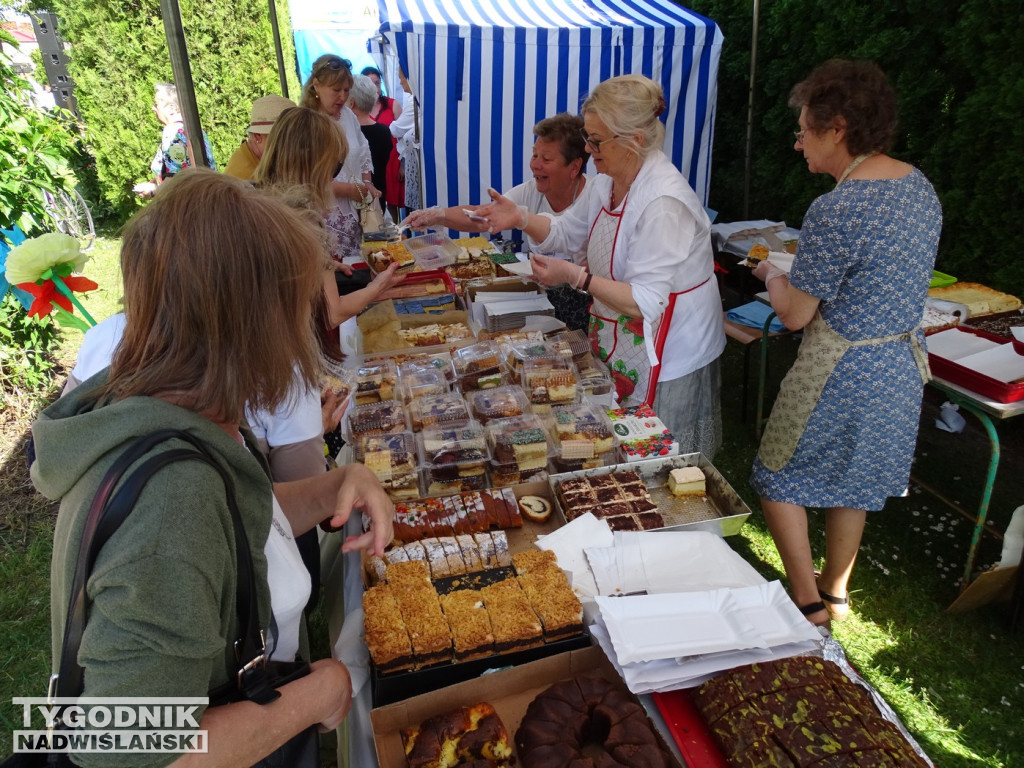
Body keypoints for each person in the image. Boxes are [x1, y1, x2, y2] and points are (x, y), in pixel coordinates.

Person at [32, 169, 394, 764]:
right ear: (248, 327)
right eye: (294, 312)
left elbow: (234, 528)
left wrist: (336, 483)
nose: (303, 334)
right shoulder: (170, 501)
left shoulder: (177, 411)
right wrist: (317, 692)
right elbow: (125, 748)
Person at [748, 59, 942, 628]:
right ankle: (836, 592)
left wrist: (771, 278)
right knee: (850, 483)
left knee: (775, 476)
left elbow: (795, 317)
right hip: (900, 369)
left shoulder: (838, 208)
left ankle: (807, 603)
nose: (798, 143)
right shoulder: (917, 184)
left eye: (805, 130)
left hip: (841, 367)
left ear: (837, 129)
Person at [479, 75, 725, 458]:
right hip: (618, 329)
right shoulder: (603, 184)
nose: (590, 149)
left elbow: (645, 301)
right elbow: (566, 232)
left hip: (670, 342)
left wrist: (577, 276)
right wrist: (522, 219)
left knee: (660, 454)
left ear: (635, 140)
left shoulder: (663, 202)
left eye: (597, 140)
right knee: (617, 433)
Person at [406, 113, 593, 330]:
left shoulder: (595, 197)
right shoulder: (530, 191)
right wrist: (438, 215)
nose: (535, 165)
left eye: (546, 159)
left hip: (584, 302)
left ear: (574, 167)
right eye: (534, 156)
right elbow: (482, 215)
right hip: (539, 296)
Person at [301, 54, 380, 261]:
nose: (343, 97)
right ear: (316, 86)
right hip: (325, 217)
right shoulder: (307, 123)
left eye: (346, 90)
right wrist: (352, 190)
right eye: (336, 90)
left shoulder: (347, 115)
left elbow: (363, 150)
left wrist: (366, 183)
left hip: (354, 214)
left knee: (356, 267)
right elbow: (310, 179)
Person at [133, 82, 216, 198]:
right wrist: (157, 183)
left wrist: (152, 192)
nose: (153, 108)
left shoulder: (173, 132)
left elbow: (174, 179)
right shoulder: (196, 131)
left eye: (156, 104)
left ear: (171, 109)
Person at [362, 65, 405, 220]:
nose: (375, 87)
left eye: (377, 83)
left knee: (398, 200)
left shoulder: (392, 105)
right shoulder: (360, 110)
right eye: (370, 83)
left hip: (394, 160)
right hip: (376, 164)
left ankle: (402, 232)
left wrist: (403, 164)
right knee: (382, 201)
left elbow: (404, 137)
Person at [224, 93, 296, 180]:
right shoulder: (246, 178)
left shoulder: (256, 157)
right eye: (282, 138)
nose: (291, 144)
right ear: (257, 137)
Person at [349, 74, 393, 207]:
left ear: (351, 103)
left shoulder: (350, 133)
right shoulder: (384, 131)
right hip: (378, 197)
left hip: (355, 200)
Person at [390, 69, 421, 213]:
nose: (401, 82)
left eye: (401, 78)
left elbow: (396, 129)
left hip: (416, 162)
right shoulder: (413, 99)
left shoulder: (414, 100)